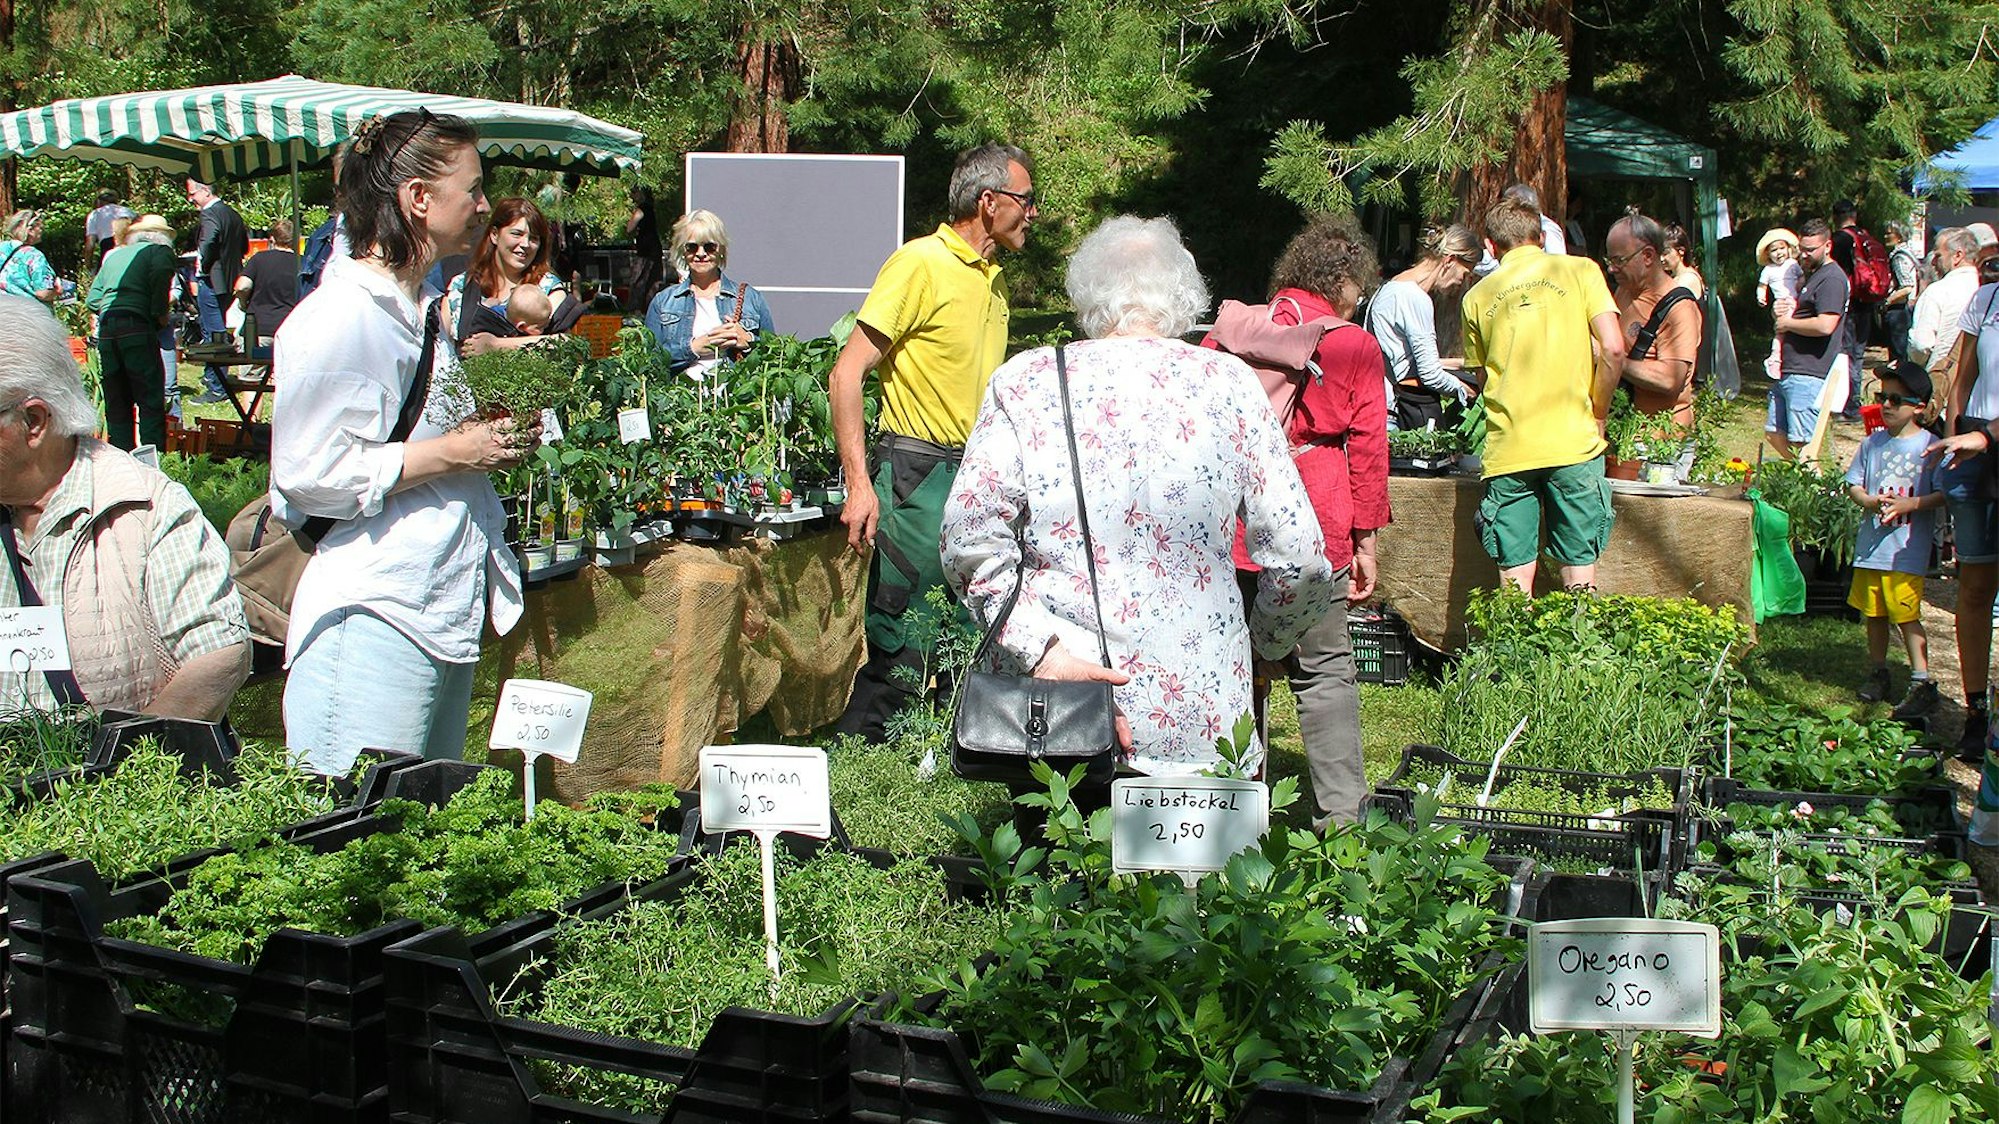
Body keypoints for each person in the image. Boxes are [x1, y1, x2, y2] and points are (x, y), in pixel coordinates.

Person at [939, 215, 1334, 781]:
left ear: (1086, 296)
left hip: (1060, 714)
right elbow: (1299, 556)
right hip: (1204, 711)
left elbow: (968, 542)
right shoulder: (1231, 384)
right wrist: (1265, 643)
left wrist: (1042, 655)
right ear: (1184, 297)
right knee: (1202, 869)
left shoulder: (1025, 382)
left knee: (1058, 862)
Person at [271, 108, 536, 775]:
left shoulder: (413, 309)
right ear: (418, 200)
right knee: (353, 842)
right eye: (471, 189)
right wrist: (457, 452)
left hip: (430, 605)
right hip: (373, 618)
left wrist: (491, 437)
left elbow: (414, 439)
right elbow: (308, 473)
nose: (482, 205)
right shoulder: (341, 318)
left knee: (420, 835)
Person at [829, 143, 1036, 740]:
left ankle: (946, 745)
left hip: (974, 472)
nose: (1032, 214)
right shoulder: (920, 263)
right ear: (988, 201)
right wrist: (860, 485)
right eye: (1025, 201)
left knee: (968, 618)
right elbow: (846, 374)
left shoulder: (993, 284)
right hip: (916, 470)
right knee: (903, 627)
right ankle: (864, 753)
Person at [1204, 213, 1388, 826]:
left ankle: (1234, 812)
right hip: (1315, 520)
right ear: (1345, 284)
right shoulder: (1353, 346)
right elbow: (1366, 451)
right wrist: (1366, 540)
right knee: (1325, 669)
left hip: (1231, 522)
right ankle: (1342, 819)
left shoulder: (1231, 332)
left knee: (1232, 667)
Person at [0, 293, 250, 718]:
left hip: (103, 772)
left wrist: (117, 768)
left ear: (35, 422)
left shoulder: (144, 508)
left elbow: (217, 655)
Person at [1461, 197, 1625, 593]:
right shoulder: (1583, 271)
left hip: (1511, 447)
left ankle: (1514, 653)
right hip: (1574, 442)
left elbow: (1483, 378)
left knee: (1513, 585)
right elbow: (1615, 349)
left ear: (1490, 245)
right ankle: (1576, 649)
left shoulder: (1477, 297)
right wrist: (1599, 411)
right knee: (1579, 574)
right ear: (1540, 235)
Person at [1846, 362, 1943, 720]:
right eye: (1881, 397)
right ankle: (1878, 672)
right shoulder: (1872, 444)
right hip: (1872, 549)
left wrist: (1910, 504)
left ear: (1918, 406)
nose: (1886, 405)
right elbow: (1854, 483)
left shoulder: (1929, 447)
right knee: (1874, 614)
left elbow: (1943, 495)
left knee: (1906, 615)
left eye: (1895, 399)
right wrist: (1868, 500)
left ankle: (1922, 680)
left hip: (1905, 552)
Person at [1937, 266, 1999, 760]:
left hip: (1990, 441)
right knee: (1974, 587)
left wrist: (1986, 437)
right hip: (1976, 449)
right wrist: (1959, 433)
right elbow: (1963, 377)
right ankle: (1977, 710)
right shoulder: (1986, 299)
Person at [1606, 213, 1702, 466]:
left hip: (1661, 442)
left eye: (1619, 260)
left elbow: (1671, 378)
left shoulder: (1679, 306)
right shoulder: (1624, 290)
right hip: (1624, 432)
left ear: (1648, 256)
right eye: (1610, 260)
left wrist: (1611, 358)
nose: (1611, 268)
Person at [1366, 224, 1482, 431]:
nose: (1460, 282)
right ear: (1449, 261)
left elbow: (1404, 360)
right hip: (1397, 414)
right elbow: (1430, 375)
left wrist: (1461, 363)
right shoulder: (1415, 299)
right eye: (1464, 274)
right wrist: (1467, 391)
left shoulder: (1390, 288)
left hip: (1377, 406)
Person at [642, 210, 774, 379]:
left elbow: (774, 355)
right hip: (680, 399)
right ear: (683, 251)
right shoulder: (663, 302)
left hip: (734, 400)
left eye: (709, 247)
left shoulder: (750, 298)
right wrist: (693, 348)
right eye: (692, 246)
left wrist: (748, 341)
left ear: (720, 249)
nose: (701, 253)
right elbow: (649, 362)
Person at [86, 214, 178, 451]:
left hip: (107, 329)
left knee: (117, 398)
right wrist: (158, 312)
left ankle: (120, 456)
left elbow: (93, 299)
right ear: (162, 237)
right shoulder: (160, 253)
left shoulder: (115, 256)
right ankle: (152, 459)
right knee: (149, 396)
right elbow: (160, 279)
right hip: (136, 326)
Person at [446, 197, 572, 356]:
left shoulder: (548, 289)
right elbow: (440, 342)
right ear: (494, 235)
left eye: (533, 238)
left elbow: (568, 344)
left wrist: (497, 345)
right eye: (516, 234)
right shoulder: (462, 286)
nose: (525, 244)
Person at [1767, 220, 1849, 459]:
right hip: (1791, 369)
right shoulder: (1811, 276)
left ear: (1828, 246)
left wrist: (1788, 324)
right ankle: (1804, 481)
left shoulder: (1832, 279)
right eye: (1801, 248)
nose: (1804, 254)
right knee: (1774, 434)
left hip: (1810, 372)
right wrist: (1780, 310)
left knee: (1804, 444)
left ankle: (1814, 489)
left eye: (1811, 250)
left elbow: (1826, 324)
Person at [185, 178, 249, 405]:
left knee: (214, 333)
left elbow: (210, 239)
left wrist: (204, 264)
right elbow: (244, 245)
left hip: (212, 279)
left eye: (192, 193)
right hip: (229, 277)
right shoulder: (232, 213)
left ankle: (217, 386)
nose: (190, 198)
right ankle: (213, 376)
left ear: (205, 192)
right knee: (216, 328)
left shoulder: (209, 214)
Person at [1910, 227, 1981, 399]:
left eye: (1938, 256)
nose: (1933, 262)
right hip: (1978, 391)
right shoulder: (1987, 291)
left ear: (1957, 255)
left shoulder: (1938, 291)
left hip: (1942, 389)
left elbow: (1921, 345)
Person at [1830, 199, 1877, 411]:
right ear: (1855, 215)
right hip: (1866, 301)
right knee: (1857, 355)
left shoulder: (1839, 240)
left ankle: (1848, 404)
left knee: (1844, 354)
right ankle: (1854, 401)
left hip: (1848, 304)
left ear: (1835, 217)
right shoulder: (1865, 236)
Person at [234, 218, 301, 353]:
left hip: (258, 329)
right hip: (291, 329)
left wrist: (243, 303)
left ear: (272, 239)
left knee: (251, 373)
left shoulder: (259, 259)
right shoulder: (303, 263)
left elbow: (242, 286)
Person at [1880, 221, 1922, 363]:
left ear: (1899, 236)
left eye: (1889, 233)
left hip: (1898, 310)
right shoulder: (1909, 253)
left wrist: (1887, 302)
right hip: (1906, 308)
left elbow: (1906, 286)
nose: (1885, 236)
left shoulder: (1899, 257)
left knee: (1898, 354)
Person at [0, 211, 58, 306]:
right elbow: (43, 293)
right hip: (25, 312)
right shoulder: (34, 255)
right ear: (30, 230)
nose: (42, 231)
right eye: (40, 228)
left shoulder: (1, 248)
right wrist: (56, 291)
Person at [626, 184, 664, 312]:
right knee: (653, 282)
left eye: (634, 193)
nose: (632, 196)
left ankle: (634, 310)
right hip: (655, 249)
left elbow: (629, 228)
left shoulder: (640, 210)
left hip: (645, 251)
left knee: (638, 282)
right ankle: (650, 310)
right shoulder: (651, 209)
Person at [1660, 221, 1705, 300]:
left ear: (1681, 251)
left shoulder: (1689, 279)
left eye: (1665, 253)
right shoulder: (1675, 278)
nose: (1661, 259)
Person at [83, 190, 133, 258]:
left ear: (99, 201)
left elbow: (91, 242)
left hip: (107, 248)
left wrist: (88, 261)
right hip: (128, 247)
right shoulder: (127, 211)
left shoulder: (95, 214)